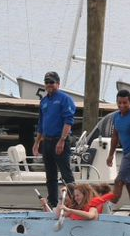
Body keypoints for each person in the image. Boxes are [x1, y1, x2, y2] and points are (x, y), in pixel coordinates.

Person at [32, 71, 77, 209]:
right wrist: (37, 142)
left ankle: (75, 201)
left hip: (60, 140)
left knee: (65, 173)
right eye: (47, 82)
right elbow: (41, 123)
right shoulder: (44, 101)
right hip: (47, 141)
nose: (49, 85)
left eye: (52, 82)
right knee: (50, 174)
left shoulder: (64, 99)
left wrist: (62, 140)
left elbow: (68, 121)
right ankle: (52, 201)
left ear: (58, 83)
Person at [106, 89, 130, 213]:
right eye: (119, 103)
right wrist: (111, 155)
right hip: (126, 153)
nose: (122, 105)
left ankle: (109, 207)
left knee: (119, 181)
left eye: (125, 103)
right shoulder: (116, 116)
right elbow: (115, 137)